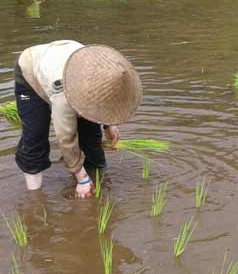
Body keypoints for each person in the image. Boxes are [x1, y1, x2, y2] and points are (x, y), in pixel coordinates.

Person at [14, 40, 143, 198]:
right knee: (35, 137)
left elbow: (108, 99)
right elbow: (66, 138)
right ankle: (35, 199)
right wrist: (81, 178)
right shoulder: (63, 93)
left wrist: (109, 125)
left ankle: (95, 185)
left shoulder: (107, 70)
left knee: (92, 140)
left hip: (73, 65)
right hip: (32, 74)